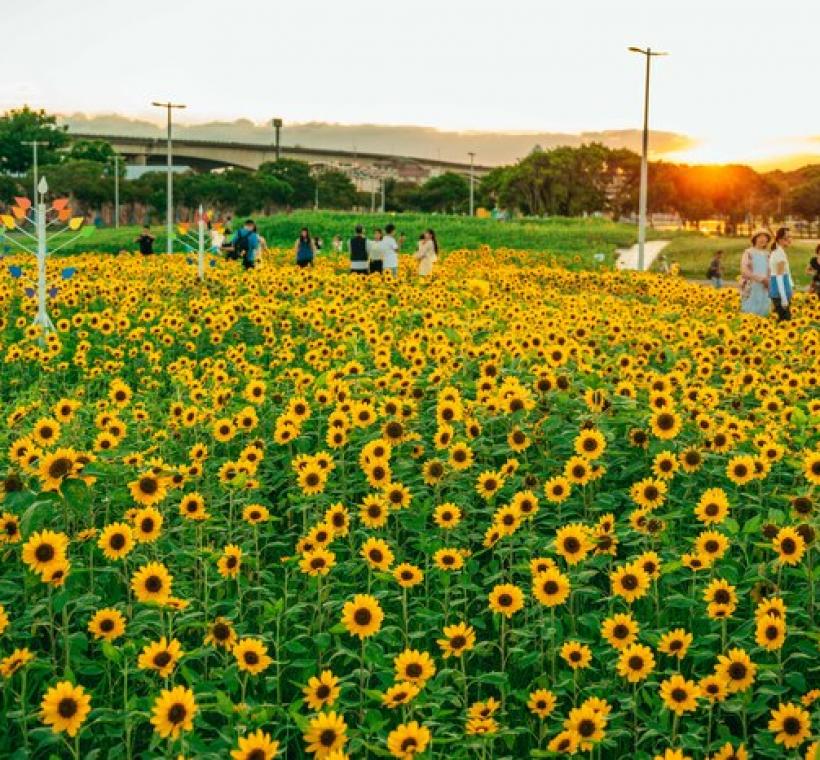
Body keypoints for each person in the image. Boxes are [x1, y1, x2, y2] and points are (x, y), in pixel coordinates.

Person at [740, 230, 771, 317]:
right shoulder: (748, 252)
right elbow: (744, 270)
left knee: (764, 310)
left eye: (765, 238)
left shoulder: (767, 254)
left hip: (764, 287)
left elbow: (770, 271)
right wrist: (761, 279)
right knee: (749, 312)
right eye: (760, 237)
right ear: (755, 239)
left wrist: (768, 281)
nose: (763, 239)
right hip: (751, 285)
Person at [769, 227, 794, 321]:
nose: (789, 239)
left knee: (779, 319)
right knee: (785, 321)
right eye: (786, 237)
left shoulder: (778, 251)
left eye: (790, 237)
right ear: (779, 239)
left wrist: (791, 286)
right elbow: (779, 276)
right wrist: (783, 298)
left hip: (781, 289)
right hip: (780, 292)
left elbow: (786, 273)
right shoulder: (779, 253)